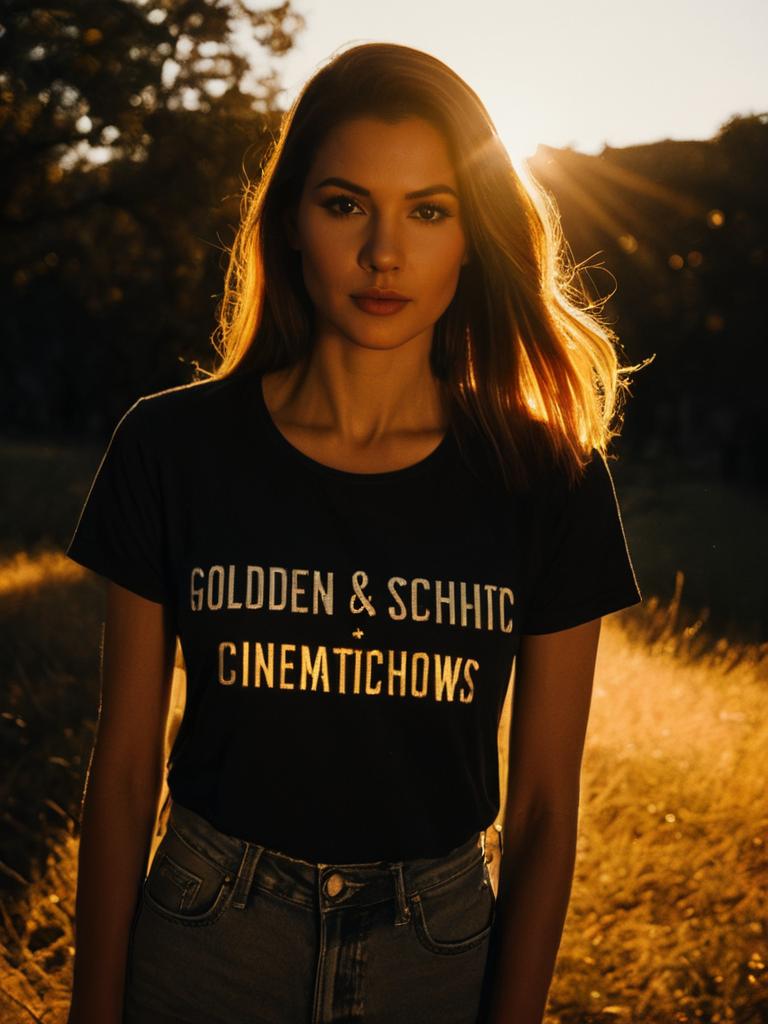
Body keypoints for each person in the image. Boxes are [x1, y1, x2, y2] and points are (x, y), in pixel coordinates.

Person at [64, 41, 643, 1024]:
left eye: (427, 210)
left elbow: (545, 810)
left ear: (472, 234)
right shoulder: (170, 447)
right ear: (290, 220)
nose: (385, 253)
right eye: (346, 205)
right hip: (207, 937)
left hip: (436, 951)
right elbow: (122, 775)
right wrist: (92, 1009)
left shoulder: (547, 477)